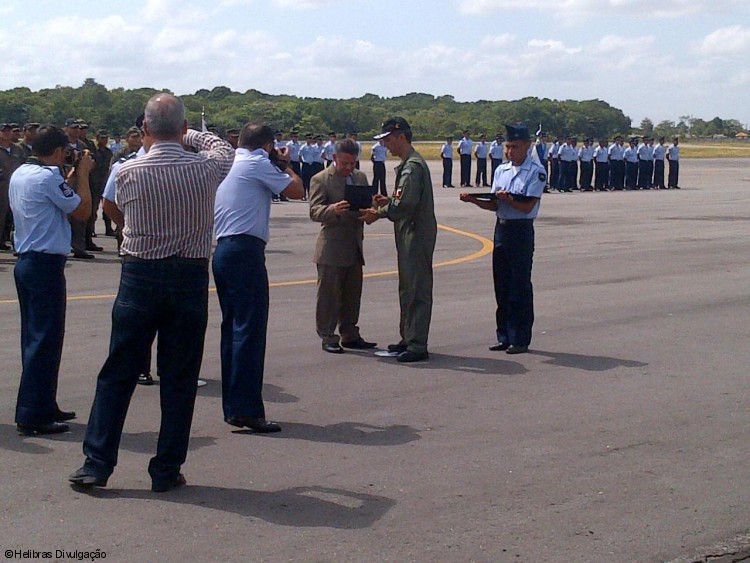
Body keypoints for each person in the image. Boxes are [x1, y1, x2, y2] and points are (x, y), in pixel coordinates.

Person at [69, 93, 234, 492]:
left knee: (117, 373)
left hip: (140, 273)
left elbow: (113, 207)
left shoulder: (127, 172)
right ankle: (166, 468)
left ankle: (97, 463)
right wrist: (186, 133)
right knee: (179, 378)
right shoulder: (206, 169)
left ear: (144, 129)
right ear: (181, 129)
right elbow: (222, 147)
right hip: (189, 275)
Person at [212, 122, 302, 433]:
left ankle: (235, 406)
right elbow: (296, 190)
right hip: (245, 251)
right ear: (266, 145)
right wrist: (287, 166)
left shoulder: (230, 161)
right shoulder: (258, 162)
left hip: (224, 249)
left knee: (233, 332)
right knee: (250, 331)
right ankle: (247, 409)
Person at [9, 125, 93, 435]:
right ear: (57, 151)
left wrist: (68, 174)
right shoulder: (46, 178)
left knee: (36, 338)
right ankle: (32, 413)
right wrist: (83, 174)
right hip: (44, 264)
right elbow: (82, 210)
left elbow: (58, 196)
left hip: (29, 261)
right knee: (44, 339)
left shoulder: (23, 173)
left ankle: (42, 402)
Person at [460, 122, 545, 355]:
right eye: (508, 147)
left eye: (515, 146)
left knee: (520, 286)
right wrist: (474, 200)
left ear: (527, 146)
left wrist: (508, 200)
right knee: (502, 285)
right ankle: (504, 335)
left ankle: (520, 338)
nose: (510, 151)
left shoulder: (536, 171)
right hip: (502, 229)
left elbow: (527, 207)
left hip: (521, 231)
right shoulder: (501, 170)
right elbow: (495, 204)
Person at [362, 117, 436, 363]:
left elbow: (404, 205)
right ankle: (408, 337)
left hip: (415, 235)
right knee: (408, 288)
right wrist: (389, 202)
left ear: (401, 137)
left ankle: (417, 344)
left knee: (417, 288)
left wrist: (379, 212)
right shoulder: (408, 164)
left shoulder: (412, 167)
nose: (386, 145)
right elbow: (401, 200)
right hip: (409, 234)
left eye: (388, 140)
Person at [310, 138, 376, 354]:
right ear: (334, 158)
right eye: (344, 163)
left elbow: (366, 204)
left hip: (354, 245)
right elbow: (314, 211)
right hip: (332, 247)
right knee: (329, 296)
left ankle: (349, 333)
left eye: (352, 163)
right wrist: (333, 210)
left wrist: (372, 210)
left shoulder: (360, 177)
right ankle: (328, 335)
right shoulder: (321, 179)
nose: (348, 167)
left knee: (352, 294)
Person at [1, 122, 25, 251]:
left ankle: (16, 243)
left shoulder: (18, 149)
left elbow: (24, 164)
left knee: (16, 216)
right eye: (4, 131)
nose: (7, 133)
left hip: (16, 187)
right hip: (1, 186)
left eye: (9, 131)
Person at [87, 130, 112, 247]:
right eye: (102, 138)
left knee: (107, 207)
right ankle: (91, 229)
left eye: (106, 138)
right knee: (93, 209)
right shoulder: (93, 152)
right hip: (95, 182)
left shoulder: (108, 152)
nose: (104, 140)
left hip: (105, 181)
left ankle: (109, 228)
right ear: (97, 139)